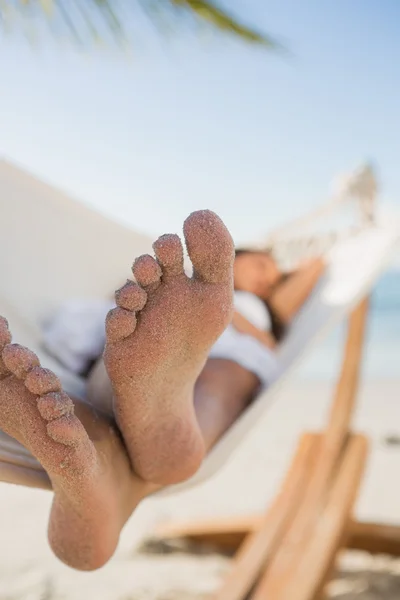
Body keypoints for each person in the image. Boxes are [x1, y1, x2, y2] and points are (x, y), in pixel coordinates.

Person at [0, 210, 325, 571]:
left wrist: (232, 301)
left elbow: (316, 266)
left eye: (276, 278)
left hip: (216, 347)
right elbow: (119, 301)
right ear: (239, 257)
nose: (269, 279)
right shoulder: (173, 292)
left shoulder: (264, 308)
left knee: (219, 379)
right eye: (262, 266)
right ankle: (151, 428)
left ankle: (117, 444)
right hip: (164, 338)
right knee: (129, 356)